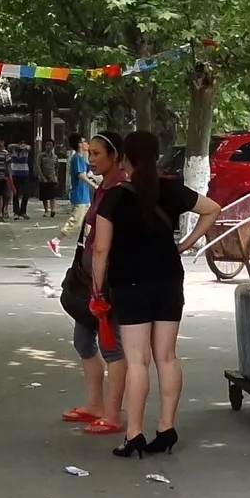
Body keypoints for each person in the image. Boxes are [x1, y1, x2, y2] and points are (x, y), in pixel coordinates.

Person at [86, 130, 221, 458]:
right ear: (156, 155)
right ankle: (166, 427)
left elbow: (101, 250)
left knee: (137, 360)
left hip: (130, 282)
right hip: (169, 279)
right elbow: (212, 208)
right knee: (167, 357)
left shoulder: (115, 197)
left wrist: (97, 288)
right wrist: (186, 245)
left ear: (126, 159)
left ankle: (134, 434)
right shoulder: (171, 188)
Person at [58, 133, 130, 437]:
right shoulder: (103, 188)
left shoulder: (122, 191)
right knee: (83, 341)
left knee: (111, 346)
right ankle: (94, 404)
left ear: (114, 156)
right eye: (91, 153)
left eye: (98, 154)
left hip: (106, 282)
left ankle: (113, 414)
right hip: (87, 278)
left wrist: (101, 285)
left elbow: (107, 245)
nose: (92, 160)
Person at [8, 135, 34, 217]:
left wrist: (24, 146)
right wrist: (18, 146)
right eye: (21, 142)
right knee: (16, 194)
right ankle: (16, 212)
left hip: (25, 173)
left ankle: (23, 212)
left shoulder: (26, 149)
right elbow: (9, 146)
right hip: (15, 174)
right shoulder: (12, 150)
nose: (22, 144)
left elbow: (29, 148)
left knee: (26, 193)